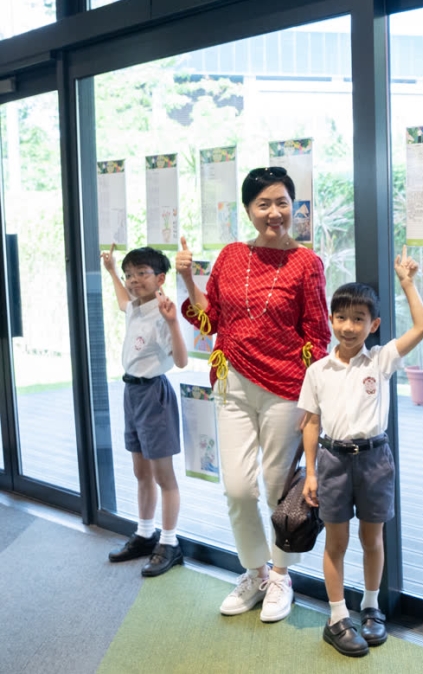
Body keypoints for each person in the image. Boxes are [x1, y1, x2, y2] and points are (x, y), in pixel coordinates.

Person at [177, 166, 330, 622]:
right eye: (263, 204)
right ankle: (254, 572)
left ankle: (282, 576)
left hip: (286, 388)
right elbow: (211, 318)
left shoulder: (307, 263)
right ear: (248, 210)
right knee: (238, 488)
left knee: (277, 487)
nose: (274, 212)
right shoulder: (230, 256)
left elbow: (318, 333)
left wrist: (315, 400)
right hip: (233, 382)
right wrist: (187, 280)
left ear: (294, 207)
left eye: (282, 202)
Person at [298, 247, 423, 657]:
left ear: (373, 324)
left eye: (359, 319)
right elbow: (311, 423)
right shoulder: (317, 371)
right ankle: (337, 617)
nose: (349, 327)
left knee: (372, 539)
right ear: (331, 320)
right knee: (335, 541)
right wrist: (310, 473)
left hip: (375, 459)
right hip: (332, 461)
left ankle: (371, 608)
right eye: (341, 318)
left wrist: (407, 283)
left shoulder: (380, 360)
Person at [101, 245, 189, 576]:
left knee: (164, 476)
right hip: (132, 393)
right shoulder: (136, 307)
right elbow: (122, 301)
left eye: (141, 273)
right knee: (141, 472)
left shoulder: (163, 312)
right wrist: (112, 271)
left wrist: (173, 322)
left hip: (154, 395)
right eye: (130, 274)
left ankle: (169, 542)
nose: (133, 280)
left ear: (160, 278)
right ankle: (145, 534)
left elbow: (181, 361)